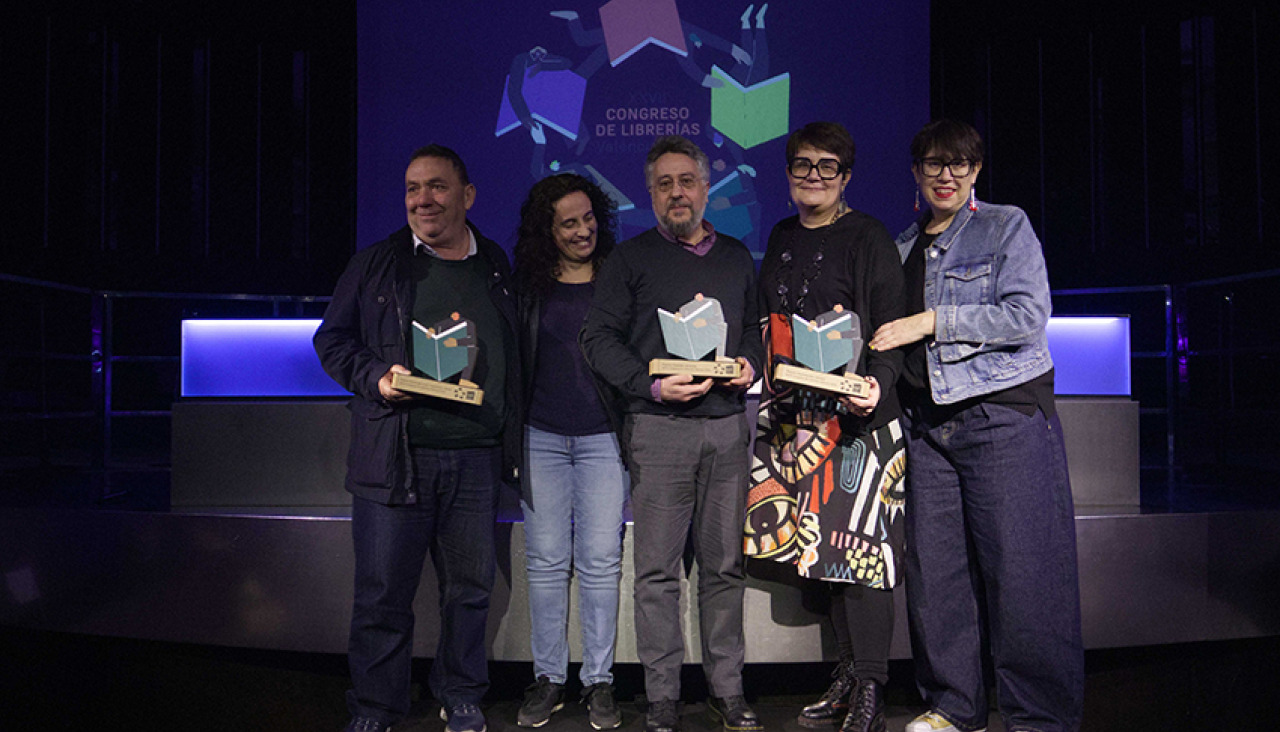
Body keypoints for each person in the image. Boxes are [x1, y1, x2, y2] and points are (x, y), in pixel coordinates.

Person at [869, 119, 1084, 732]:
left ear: (976, 171)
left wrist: (933, 319)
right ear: (916, 172)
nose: (946, 175)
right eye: (934, 164)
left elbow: (1026, 315)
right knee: (936, 580)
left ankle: (1038, 718)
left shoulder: (1003, 225)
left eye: (959, 164)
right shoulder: (903, 244)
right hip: (925, 428)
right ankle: (954, 707)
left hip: (1000, 417)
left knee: (1024, 575)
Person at [314, 144, 520, 732]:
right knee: (382, 595)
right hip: (395, 458)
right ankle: (378, 706)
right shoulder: (375, 264)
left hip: (477, 458)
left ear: (467, 195)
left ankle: (460, 694)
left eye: (436, 186)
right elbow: (331, 342)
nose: (422, 199)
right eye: (412, 188)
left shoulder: (496, 265)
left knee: (469, 591)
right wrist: (375, 377)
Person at [580, 135, 765, 732]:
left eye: (686, 181)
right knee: (657, 573)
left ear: (706, 187)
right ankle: (662, 697)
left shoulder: (737, 256)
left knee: (723, 568)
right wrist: (652, 386)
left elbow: (756, 333)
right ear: (651, 193)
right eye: (664, 184)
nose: (677, 193)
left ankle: (727, 690)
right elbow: (597, 340)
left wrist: (750, 364)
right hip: (658, 429)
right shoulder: (628, 260)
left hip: (726, 430)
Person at [746, 122, 906, 732]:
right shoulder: (782, 234)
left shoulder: (868, 237)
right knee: (822, 557)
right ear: (788, 174)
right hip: (799, 423)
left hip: (859, 421)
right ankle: (845, 675)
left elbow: (889, 332)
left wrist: (877, 385)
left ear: (846, 177)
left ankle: (871, 690)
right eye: (802, 164)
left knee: (862, 556)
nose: (814, 175)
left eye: (827, 166)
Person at [511, 174, 627, 730]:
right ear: (547, 230)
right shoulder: (529, 285)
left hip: (605, 437)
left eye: (588, 219)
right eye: (568, 223)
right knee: (547, 562)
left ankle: (599, 681)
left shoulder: (619, 277)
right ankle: (549, 677)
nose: (583, 231)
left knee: (602, 563)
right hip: (542, 437)